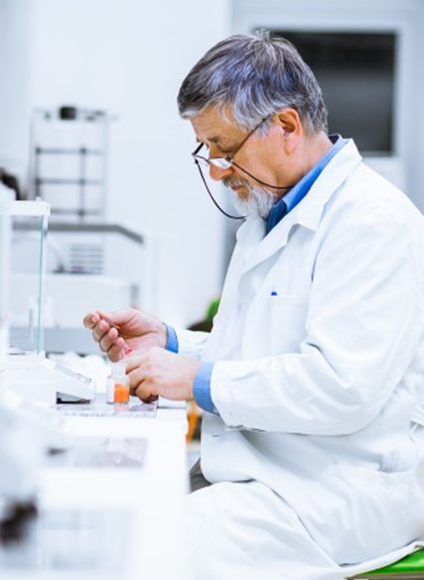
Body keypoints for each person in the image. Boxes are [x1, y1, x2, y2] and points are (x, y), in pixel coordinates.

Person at [83, 31, 424, 580]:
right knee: (116, 516)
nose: (216, 169)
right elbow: (256, 353)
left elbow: (341, 388)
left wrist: (192, 378)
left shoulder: (373, 222)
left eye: (225, 148)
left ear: (286, 126)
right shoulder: (268, 217)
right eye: (207, 151)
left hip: (334, 490)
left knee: (143, 556)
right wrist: (171, 344)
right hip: (264, 471)